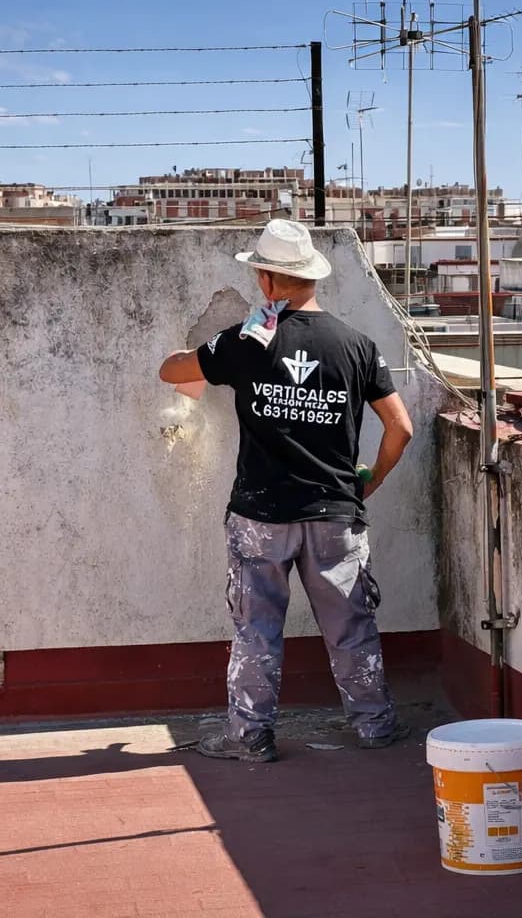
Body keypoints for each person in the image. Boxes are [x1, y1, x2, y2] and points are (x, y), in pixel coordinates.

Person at [158, 219, 415, 763]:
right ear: (310, 279)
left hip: (260, 516)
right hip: (335, 514)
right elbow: (401, 429)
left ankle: (251, 737)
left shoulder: (247, 341)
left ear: (270, 281)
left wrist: (236, 339)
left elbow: (170, 370)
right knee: (352, 628)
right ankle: (375, 728)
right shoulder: (357, 346)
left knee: (257, 630)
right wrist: (365, 484)